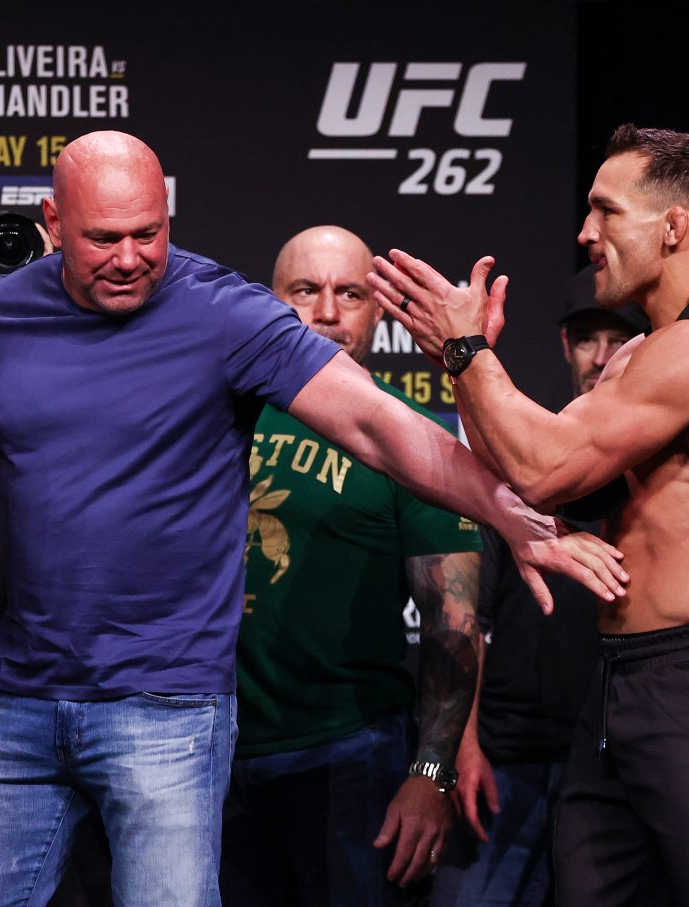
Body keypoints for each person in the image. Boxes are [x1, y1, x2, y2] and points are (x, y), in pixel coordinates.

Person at [0, 130, 627, 907]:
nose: (129, 258)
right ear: (54, 224)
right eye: (103, 239)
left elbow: (378, 425)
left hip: (168, 707)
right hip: (19, 702)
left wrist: (513, 512)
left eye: (148, 234)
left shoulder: (223, 312)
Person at [372, 123, 689, 905]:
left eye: (606, 210)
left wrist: (471, 356)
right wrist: (466, 369)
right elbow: (547, 484)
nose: (584, 232)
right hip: (618, 685)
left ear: (674, 227)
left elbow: (546, 462)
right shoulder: (640, 356)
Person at [219, 225, 483, 905]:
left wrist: (431, 771)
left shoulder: (413, 438)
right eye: (305, 290)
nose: (328, 311)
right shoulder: (210, 423)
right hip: (205, 752)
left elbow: (453, 619)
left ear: (376, 311)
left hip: (351, 755)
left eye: (351, 293)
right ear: (270, 301)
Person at [431, 269, 648, 907]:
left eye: (619, 338)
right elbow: (468, 614)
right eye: (587, 339)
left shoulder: (668, 468)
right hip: (506, 758)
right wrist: (462, 748)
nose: (602, 355)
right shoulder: (525, 458)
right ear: (564, 345)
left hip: (614, 764)